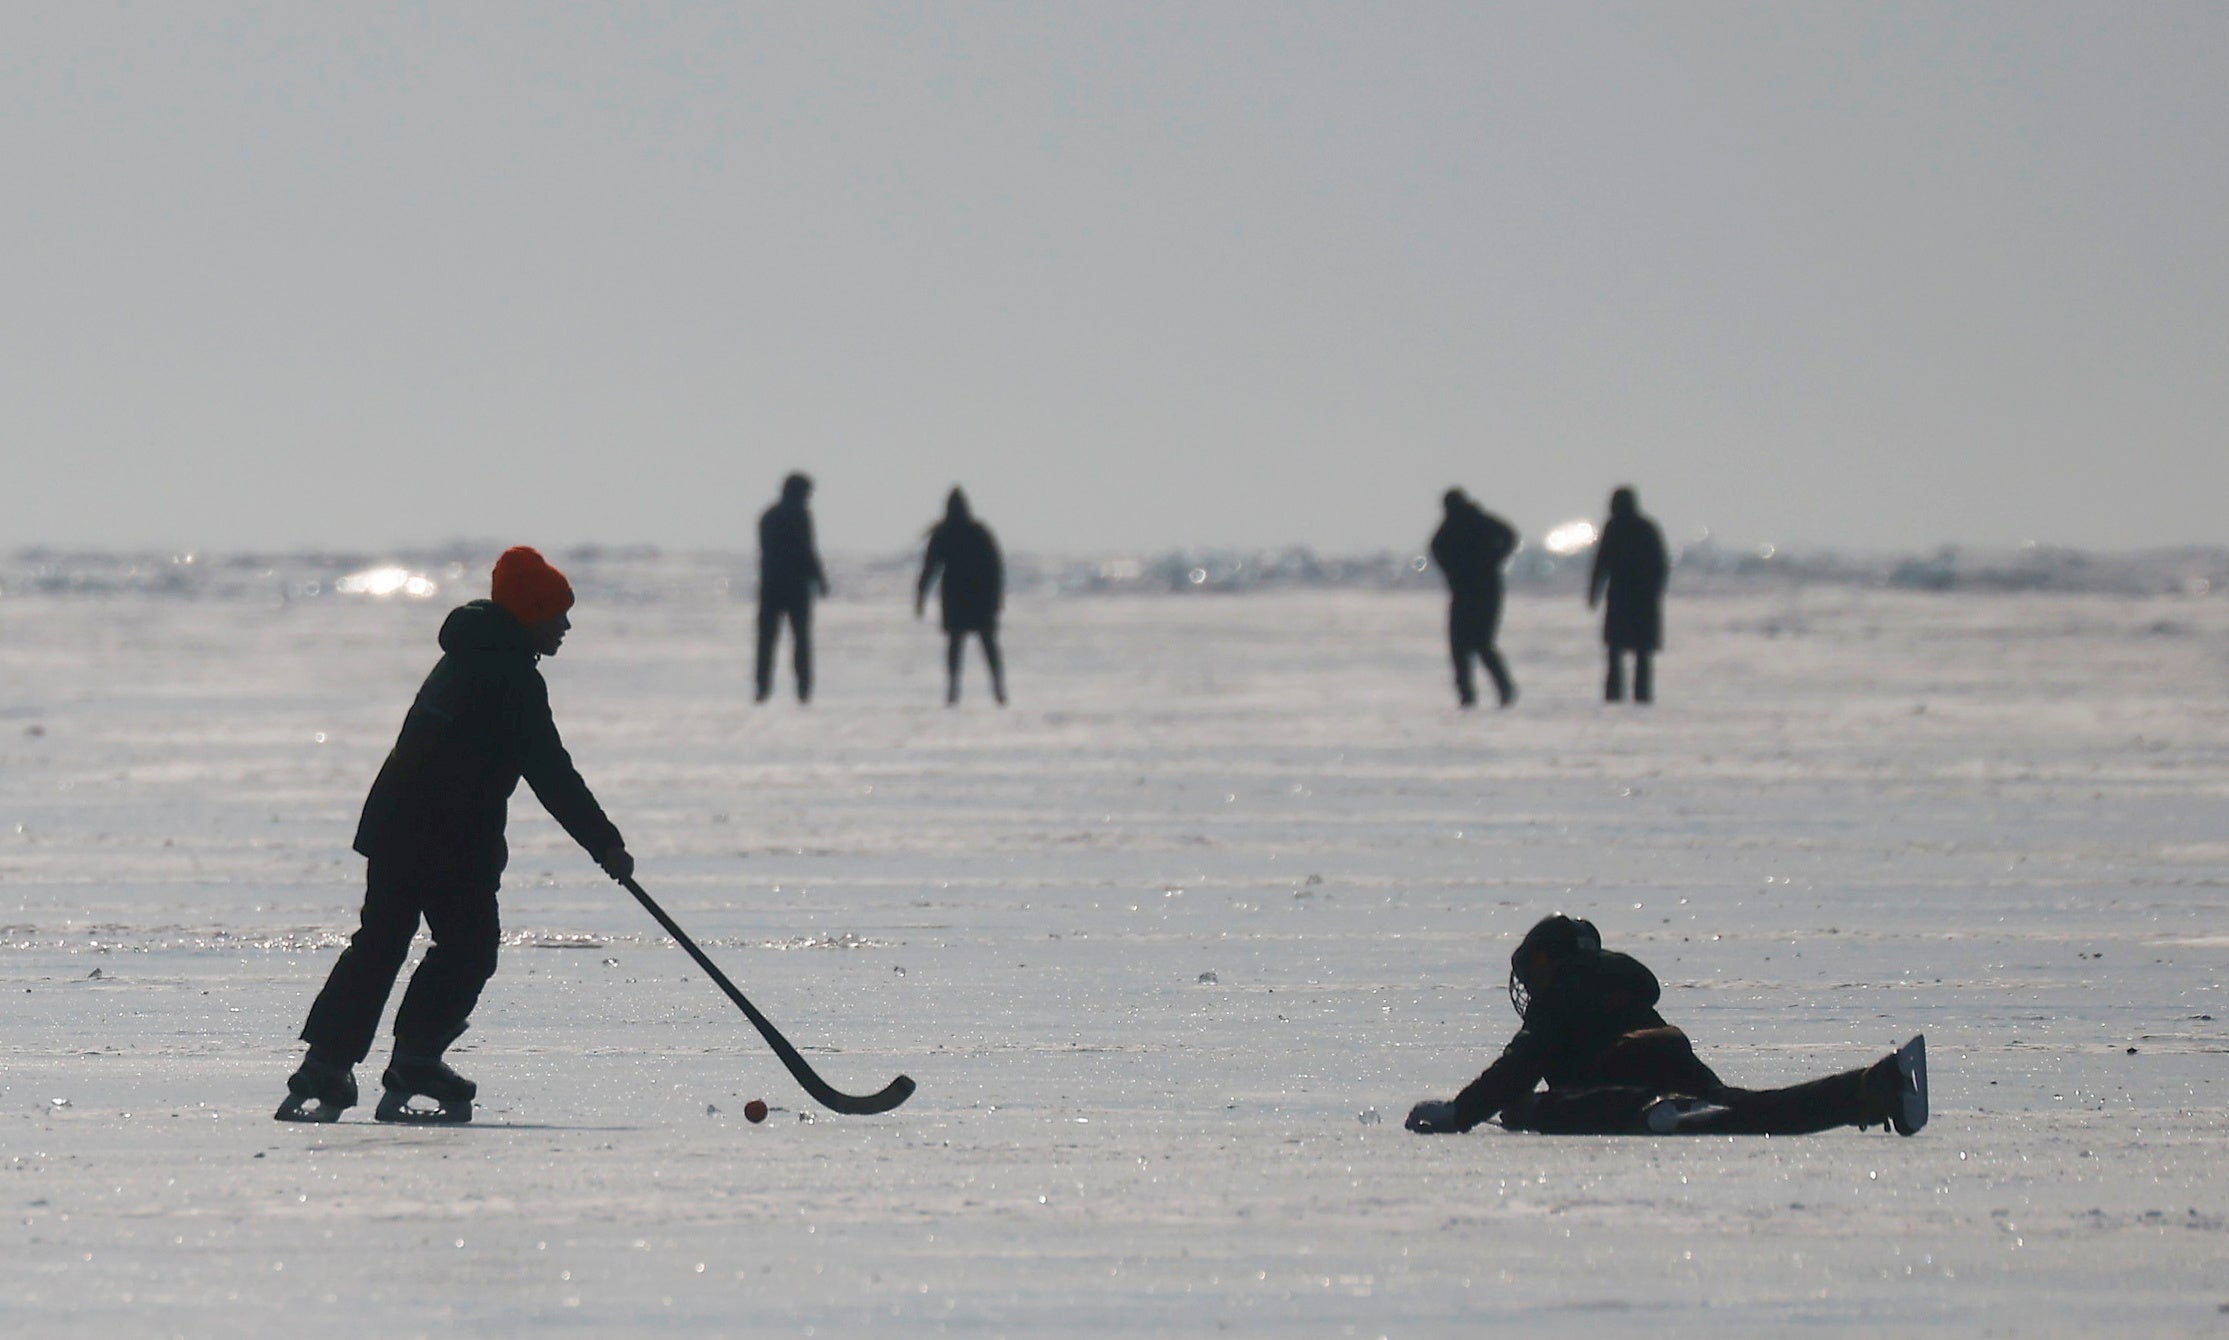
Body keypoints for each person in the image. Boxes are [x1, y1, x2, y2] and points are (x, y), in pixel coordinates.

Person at [276, 547, 633, 1124]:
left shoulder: (468, 657)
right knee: (467, 948)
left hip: (399, 825)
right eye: (557, 613)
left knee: (381, 942)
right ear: (530, 612)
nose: (566, 625)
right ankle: (414, 1060)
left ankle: (327, 1065)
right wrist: (606, 844)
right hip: (447, 839)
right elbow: (551, 772)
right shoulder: (510, 676)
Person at [1404, 914, 1927, 1137]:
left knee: (1532, 1108)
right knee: (1750, 1108)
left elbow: (1522, 1064)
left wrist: (1463, 1112)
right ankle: (1873, 1088)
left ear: (1550, 962)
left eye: (1532, 970)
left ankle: (1658, 1110)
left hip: (1625, 1075)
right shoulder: (1615, 982)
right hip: (1671, 1052)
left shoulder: (1566, 987)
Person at [915, 487, 1007, 706]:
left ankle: (967, 690)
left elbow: (929, 569)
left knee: (965, 646)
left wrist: (921, 596)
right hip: (975, 599)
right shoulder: (976, 532)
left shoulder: (947, 532)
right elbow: (996, 569)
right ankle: (990, 689)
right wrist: (996, 599)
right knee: (981, 645)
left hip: (964, 599)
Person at [1428, 488, 1519, 708]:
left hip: (1482, 591)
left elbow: (1510, 537)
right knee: (1467, 645)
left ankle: (1497, 690)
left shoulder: (1475, 521)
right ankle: (1472, 694)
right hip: (1470, 591)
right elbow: (1437, 550)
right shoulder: (1459, 525)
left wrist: (1494, 560)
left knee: (1477, 643)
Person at [1588, 486, 1668, 703]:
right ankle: (1640, 696)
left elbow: (1601, 563)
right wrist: (1656, 590)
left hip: (1623, 598)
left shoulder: (1614, 528)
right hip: (1641, 599)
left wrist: (1594, 592)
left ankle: (1615, 695)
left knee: (1618, 652)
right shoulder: (1646, 528)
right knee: (1639, 653)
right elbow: (1660, 564)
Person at [756, 472, 829, 703]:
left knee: (768, 640)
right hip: (795, 587)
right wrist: (819, 579)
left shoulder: (768, 516)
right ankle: (803, 690)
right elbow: (807, 549)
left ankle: (763, 689)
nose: (808, 497)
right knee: (800, 641)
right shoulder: (800, 515)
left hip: (771, 587)